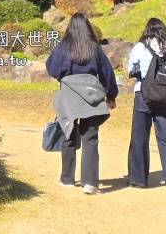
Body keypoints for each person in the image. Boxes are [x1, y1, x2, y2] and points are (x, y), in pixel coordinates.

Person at [45, 13, 118, 195]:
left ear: (69, 27)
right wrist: (111, 95)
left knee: (68, 135)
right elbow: (107, 74)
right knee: (90, 139)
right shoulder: (94, 48)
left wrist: (66, 75)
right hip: (92, 96)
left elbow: (52, 69)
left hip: (69, 95)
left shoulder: (62, 48)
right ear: (88, 28)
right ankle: (90, 183)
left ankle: (67, 179)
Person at [126, 17, 166, 194]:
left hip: (143, 95)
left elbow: (130, 69)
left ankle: (138, 180)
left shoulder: (140, 47)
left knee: (140, 137)